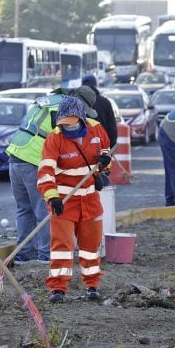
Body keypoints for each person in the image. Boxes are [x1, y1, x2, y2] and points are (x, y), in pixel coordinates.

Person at [5, 86, 98, 265]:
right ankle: (46, 254)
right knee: (46, 209)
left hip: (16, 155)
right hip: (34, 158)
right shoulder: (65, 108)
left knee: (24, 209)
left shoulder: (51, 99)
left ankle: (25, 254)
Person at [37, 96, 111, 304]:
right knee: (61, 246)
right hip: (64, 202)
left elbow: (105, 154)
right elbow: (46, 172)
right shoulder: (54, 139)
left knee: (90, 247)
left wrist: (103, 171)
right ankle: (57, 289)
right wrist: (52, 197)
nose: (67, 127)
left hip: (89, 200)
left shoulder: (96, 129)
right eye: (64, 124)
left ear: (81, 118)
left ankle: (92, 285)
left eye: (71, 123)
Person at [81, 74, 118, 148]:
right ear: (95, 85)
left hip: (81, 147)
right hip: (102, 144)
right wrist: (111, 146)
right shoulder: (105, 102)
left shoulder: (76, 102)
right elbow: (112, 127)